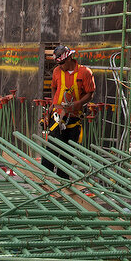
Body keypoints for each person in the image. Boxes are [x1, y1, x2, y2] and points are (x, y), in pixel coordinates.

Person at [41, 45, 96, 177]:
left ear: (70, 58)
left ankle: (62, 180)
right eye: (58, 63)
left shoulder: (85, 72)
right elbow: (54, 88)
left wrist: (79, 103)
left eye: (62, 63)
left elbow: (90, 93)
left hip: (74, 117)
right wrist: (53, 104)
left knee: (68, 151)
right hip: (58, 116)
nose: (61, 66)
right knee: (52, 147)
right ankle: (45, 177)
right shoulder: (56, 72)